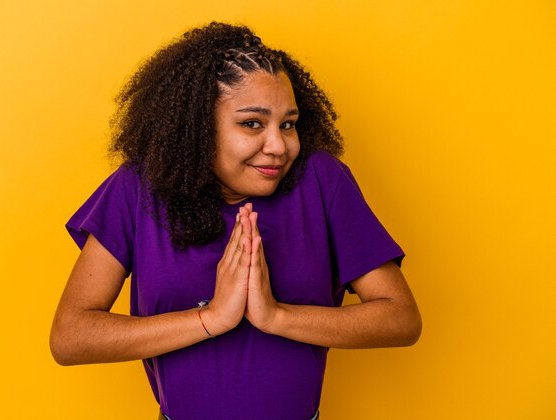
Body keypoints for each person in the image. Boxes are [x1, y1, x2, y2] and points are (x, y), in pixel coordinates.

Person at [50, 22, 421, 420]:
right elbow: (71, 338)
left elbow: (399, 318)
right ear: (197, 129)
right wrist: (211, 318)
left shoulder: (321, 181)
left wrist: (275, 315)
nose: (279, 146)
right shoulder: (136, 190)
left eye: (288, 124)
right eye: (252, 124)